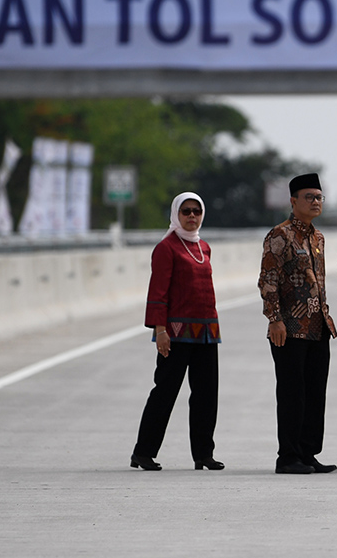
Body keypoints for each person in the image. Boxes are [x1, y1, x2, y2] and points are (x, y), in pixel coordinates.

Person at [131, 192, 224, 472]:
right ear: (176, 214)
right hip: (175, 333)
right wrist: (160, 330)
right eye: (186, 211)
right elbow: (158, 292)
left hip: (206, 332)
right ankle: (143, 452)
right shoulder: (166, 248)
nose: (192, 216)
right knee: (165, 393)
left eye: (196, 211)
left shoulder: (203, 247)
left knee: (207, 395)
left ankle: (203, 455)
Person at [258, 173, 337, 475]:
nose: (315, 202)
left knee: (316, 393)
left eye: (319, 197)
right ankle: (288, 456)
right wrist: (274, 319)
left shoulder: (318, 238)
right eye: (309, 197)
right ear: (293, 202)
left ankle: (308, 453)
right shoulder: (279, 235)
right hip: (289, 328)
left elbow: (319, 283)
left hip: (318, 327)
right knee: (293, 393)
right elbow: (267, 280)